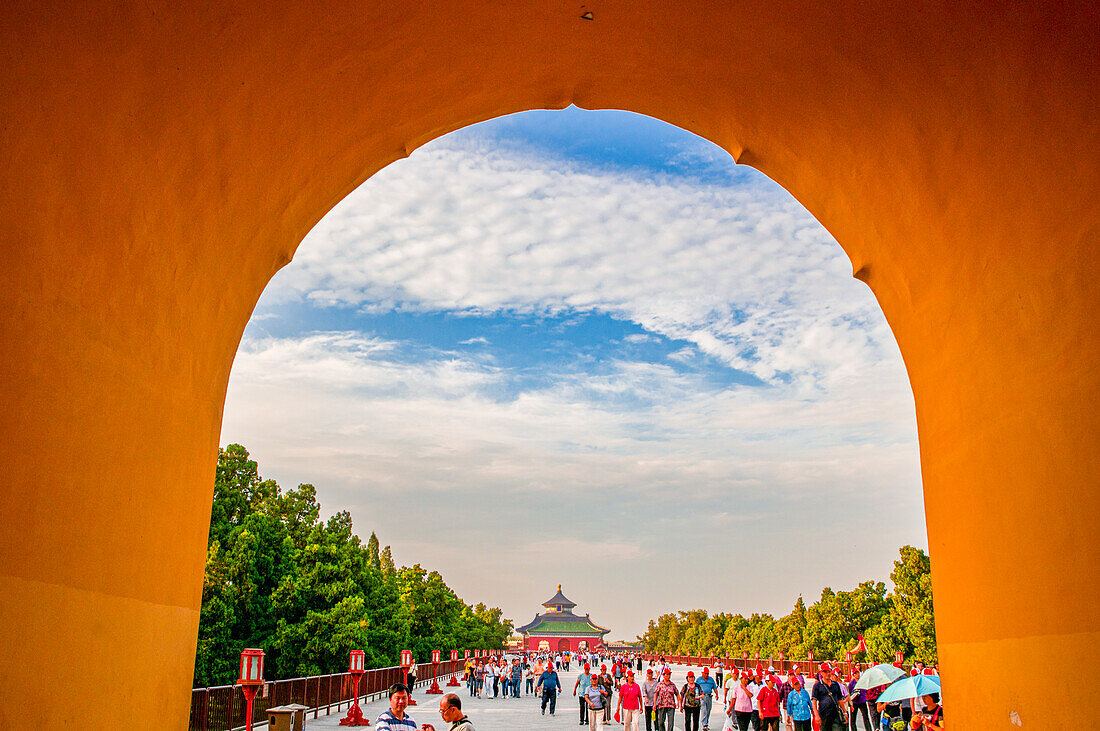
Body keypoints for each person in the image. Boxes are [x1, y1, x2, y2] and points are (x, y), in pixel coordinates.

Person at [811, 663, 846, 731]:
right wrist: (816, 715)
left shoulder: (835, 684)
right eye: (825, 672)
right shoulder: (817, 685)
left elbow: (840, 699)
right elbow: (814, 701)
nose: (827, 673)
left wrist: (844, 712)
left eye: (829, 671)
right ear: (821, 673)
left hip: (835, 714)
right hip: (824, 715)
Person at [695, 666, 718, 731]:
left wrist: (717, 694)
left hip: (709, 696)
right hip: (702, 697)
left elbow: (714, 687)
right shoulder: (699, 680)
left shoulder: (711, 679)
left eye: (707, 673)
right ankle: (704, 724)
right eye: (705, 673)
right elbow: (696, 688)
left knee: (708, 710)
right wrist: (697, 695)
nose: (706, 675)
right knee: (703, 710)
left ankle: (706, 723)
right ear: (702, 673)